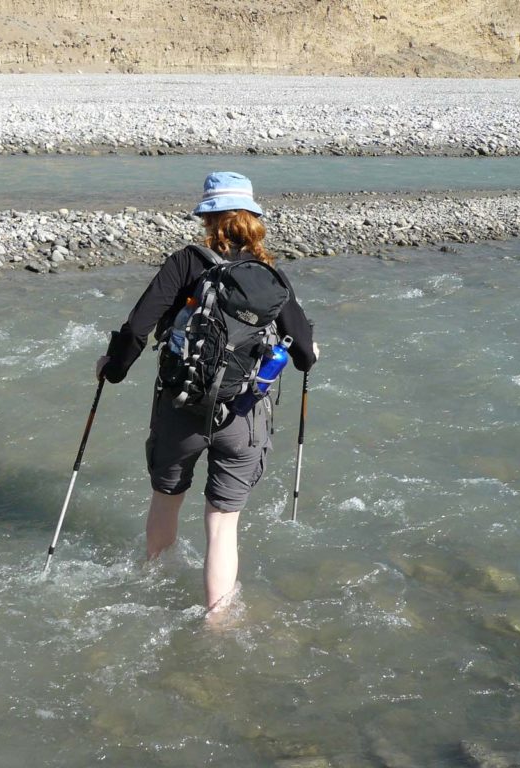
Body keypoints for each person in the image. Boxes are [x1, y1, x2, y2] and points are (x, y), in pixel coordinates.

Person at [95, 171, 318, 614]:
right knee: (222, 524)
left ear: (207, 218)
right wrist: (311, 352)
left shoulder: (185, 262)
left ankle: (150, 588)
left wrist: (111, 369)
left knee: (166, 500)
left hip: (182, 409)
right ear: (253, 219)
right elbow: (305, 355)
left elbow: (138, 329)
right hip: (244, 415)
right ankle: (217, 622)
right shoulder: (268, 274)